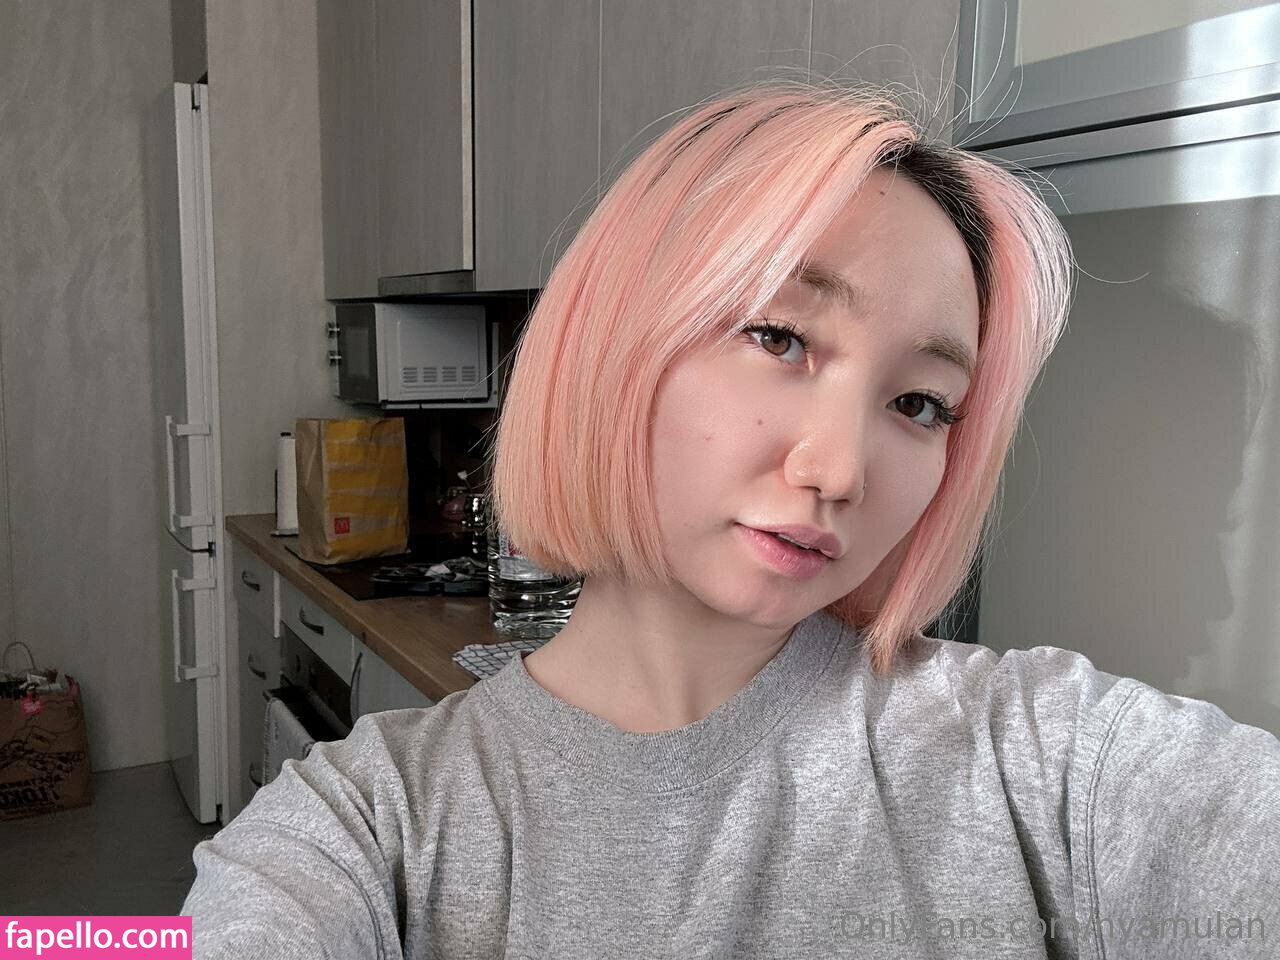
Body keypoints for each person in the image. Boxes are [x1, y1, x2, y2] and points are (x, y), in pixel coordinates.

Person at [181, 81, 1280, 958]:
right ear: (615, 339)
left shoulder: (1042, 758)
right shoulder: (365, 827)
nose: (838, 470)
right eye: (779, 337)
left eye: (918, 404)